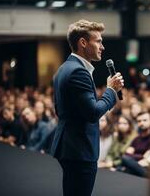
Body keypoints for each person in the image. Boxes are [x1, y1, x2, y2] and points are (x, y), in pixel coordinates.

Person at [50, 19, 124, 196]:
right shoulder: (78, 71)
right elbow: (93, 113)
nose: (102, 47)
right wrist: (111, 90)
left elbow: (59, 110)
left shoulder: (64, 68)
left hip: (70, 146)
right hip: (79, 149)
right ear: (83, 42)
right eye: (98, 41)